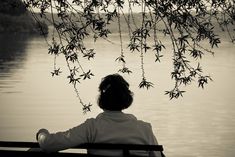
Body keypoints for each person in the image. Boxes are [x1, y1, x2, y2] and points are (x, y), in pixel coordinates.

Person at [36, 74, 162, 156]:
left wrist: (42, 134)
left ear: (102, 99)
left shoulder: (92, 127)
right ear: (127, 99)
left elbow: (49, 144)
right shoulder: (144, 129)